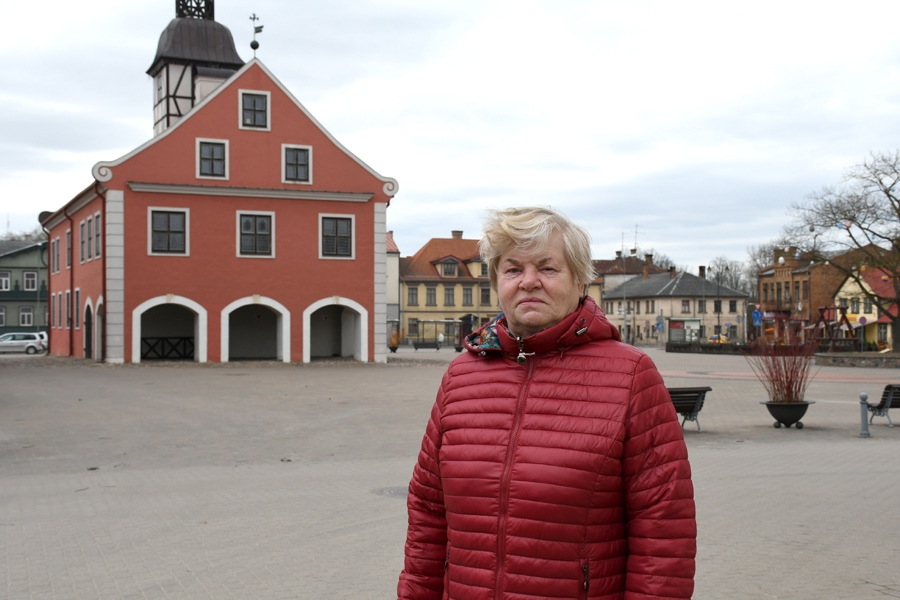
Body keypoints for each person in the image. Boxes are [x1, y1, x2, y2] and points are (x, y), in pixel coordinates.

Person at [397, 207, 696, 600]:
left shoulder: (630, 375)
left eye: (548, 269)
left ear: (579, 281)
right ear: (496, 281)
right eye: (513, 269)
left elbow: (663, 526)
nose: (529, 282)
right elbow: (428, 514)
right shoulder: (460, 376)